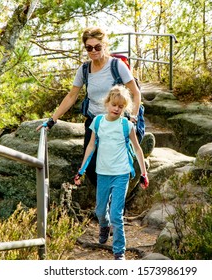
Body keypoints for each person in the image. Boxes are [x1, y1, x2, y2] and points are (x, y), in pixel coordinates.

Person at [36, 27, 142, 188]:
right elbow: (71, 96)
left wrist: (133, 118)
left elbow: (135, 93)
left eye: (98, 47)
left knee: (117, 166)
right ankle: (105, 201)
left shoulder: (117, 65)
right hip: (95, 123)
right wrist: (52, 120)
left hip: (116, 122)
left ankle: (115, 205)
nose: (93, 51)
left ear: (104, 45)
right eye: (89, 47)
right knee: (91, 167)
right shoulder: (84, 69)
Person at [74, 85, 149, 260]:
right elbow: (91, 146)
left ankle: (119, 251)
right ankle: (104, 225)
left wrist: (144, 173)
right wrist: (82, 169)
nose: (117, 109)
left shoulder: (126, 125)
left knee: (116, 213)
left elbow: (137, 150)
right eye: (114, 105)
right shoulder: (98, 122)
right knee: (100, 210)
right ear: (107, 103)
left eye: (121, 106)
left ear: (125, 108)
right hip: (103, 173)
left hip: (121, 174)